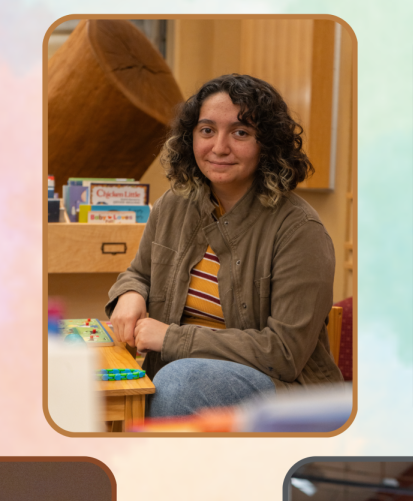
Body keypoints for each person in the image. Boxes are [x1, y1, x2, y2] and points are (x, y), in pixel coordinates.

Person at [106, 73, 343, 418]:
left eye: (240, 132)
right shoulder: (174, 204)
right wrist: (130, 293)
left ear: (268, 145)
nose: (219, 147)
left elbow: (284, 354)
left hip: (282, 389)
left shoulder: (300, 231)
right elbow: (138, 273)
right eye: (207, 130)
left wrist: (172, 339)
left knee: (178, 382)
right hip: (179, 374)